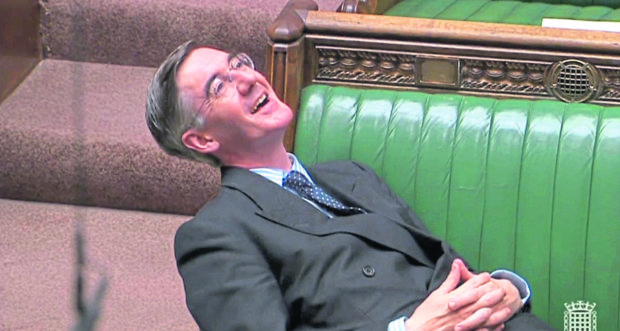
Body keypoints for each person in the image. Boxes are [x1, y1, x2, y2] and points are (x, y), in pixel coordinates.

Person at [145, 41, 555, 331]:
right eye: (219, 86)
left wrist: (505, 288)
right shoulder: (215, 233)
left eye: (239, 63)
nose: (248, 78)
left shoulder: (350, 175)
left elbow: (439, 265)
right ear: (202, 141)